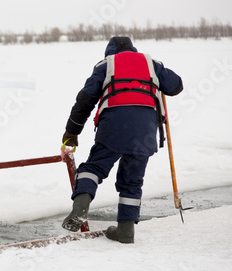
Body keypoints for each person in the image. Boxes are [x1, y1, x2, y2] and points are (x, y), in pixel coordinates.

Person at [61, 36, 183, 243]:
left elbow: (85, 99)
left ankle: (80, 207)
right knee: (132, 181)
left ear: (109, 52)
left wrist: (72, 131)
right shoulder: (151, 64)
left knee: (93, 169)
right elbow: (176, 86)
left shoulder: (106, 65)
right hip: (145, 130)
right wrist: (157, 73)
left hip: (114, 126)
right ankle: (126, 230)